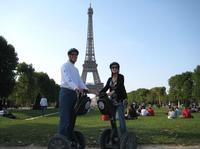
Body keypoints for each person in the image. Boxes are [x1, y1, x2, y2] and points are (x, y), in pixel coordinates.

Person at [58, 48, 88, 140]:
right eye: (73, 54)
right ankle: (62, 139)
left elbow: (80, 81)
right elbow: (68, 79)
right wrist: (76, 87)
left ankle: (70, 139)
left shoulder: (76, 69)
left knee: (72, 118)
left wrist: (87, 89)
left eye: (76, 55)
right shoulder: (64, 66)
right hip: (66, 93)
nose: (74, 56)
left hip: (74, 94)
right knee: (65, 118)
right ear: (69, 55)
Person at [99, 62, 127, 135]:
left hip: (120, 100)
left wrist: (111, 93)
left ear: (118, 69)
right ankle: (115, 134)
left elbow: (119, 87)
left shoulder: (121, 77)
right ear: (111, 69)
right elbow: (105, 88)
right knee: (112, 119)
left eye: (116, 67)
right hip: (112, 101)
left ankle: (124, 136)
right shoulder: (109, 79)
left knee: (121, 119)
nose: (114, 69)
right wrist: (99, 93)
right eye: (113, 67)